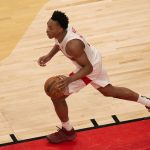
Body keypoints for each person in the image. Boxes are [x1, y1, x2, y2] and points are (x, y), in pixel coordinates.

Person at [38, 10, 150, 144]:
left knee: (57, 97)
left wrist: (69, 80)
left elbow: (88, 68)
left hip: (89, 68)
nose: (47, 30)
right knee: (109, 91)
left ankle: (67, 131)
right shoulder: (61, 32)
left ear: (60, 29)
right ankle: (148, 102)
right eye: (47, 27)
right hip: (93, 58)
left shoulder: (73, 45)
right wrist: (49, 56)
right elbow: (58, 43)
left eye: (50, 28)